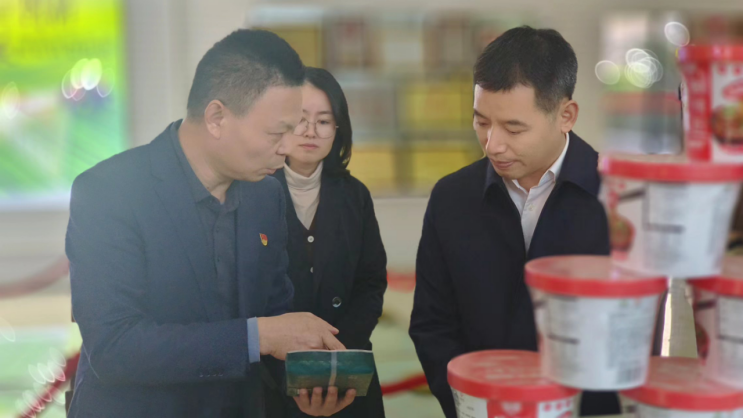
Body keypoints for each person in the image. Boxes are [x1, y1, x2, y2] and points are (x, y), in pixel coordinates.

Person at [66, 29, 356, 418]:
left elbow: (275, 316)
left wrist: (305, 384)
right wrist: (258, 336)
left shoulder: (265, 196)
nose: (288, 148)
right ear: (217, 118)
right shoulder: (109, 192)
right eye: (277, 132)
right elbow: (115, 348)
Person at [409, 26, 620, 418]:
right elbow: (432, 326)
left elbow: (633, 336)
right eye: (481, 122)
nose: (493, 144)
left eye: (513, 128)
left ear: (566, 116)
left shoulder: (619, 201)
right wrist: (473, 407)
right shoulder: (452, 198)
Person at [264, 67, 388, 418]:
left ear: (338, 129)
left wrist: (335, 360)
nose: (310, 131)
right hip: (271, 380)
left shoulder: (355, 195)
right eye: (299, 119)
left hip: (346, 374)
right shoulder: (252, 191)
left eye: (323, 121)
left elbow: (371, 282)